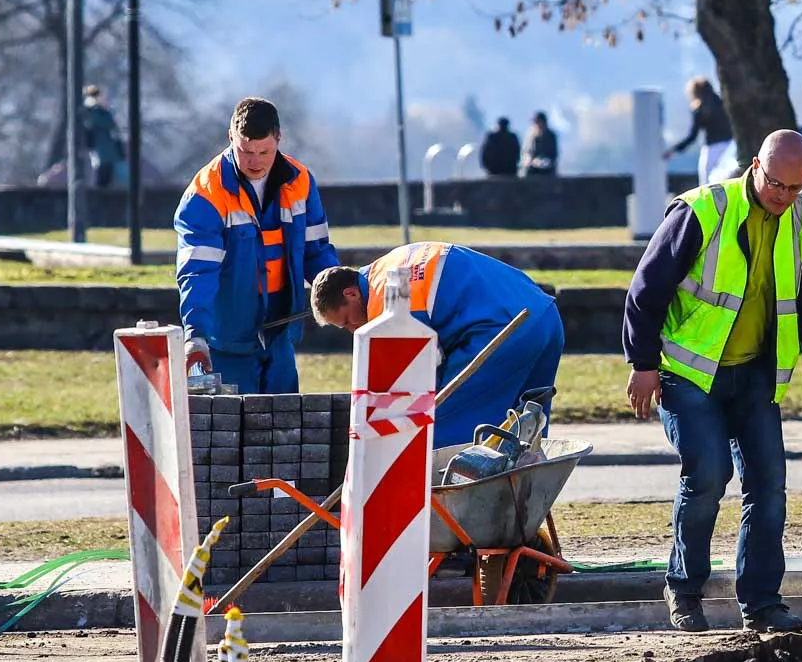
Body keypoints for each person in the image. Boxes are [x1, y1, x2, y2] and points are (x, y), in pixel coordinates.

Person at [623, 130, 802, 634]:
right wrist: (643, 363)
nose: (784, 197)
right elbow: (645, 289)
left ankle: (763, 604)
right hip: (687, 374)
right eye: (777, 185)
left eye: (796, 188)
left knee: (768, 486)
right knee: (708, 476)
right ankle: (684, 591)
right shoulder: (703, 211)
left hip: (755, 378)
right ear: (754, 166)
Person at [310, 243, 565, 447]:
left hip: (504, 332)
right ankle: (521, 502)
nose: (353, 330)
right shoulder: (392, 264)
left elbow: (413, 380)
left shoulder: (389, 303)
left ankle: (465, 508)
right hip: (544, 315)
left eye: (347, 322)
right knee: (528, 426)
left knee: (446, 427)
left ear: (351, 294)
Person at [175, 97, 339, 393]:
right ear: (230, 138)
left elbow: (317, 253)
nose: (256, 161)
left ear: (279, 138)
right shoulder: (205, 195)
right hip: (228, 340)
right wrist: (195, 334)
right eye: (246, 151)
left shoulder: (300, 182)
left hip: (280, 334)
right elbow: (197, 272)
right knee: (232, 431)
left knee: (285, 427)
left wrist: (339, 294)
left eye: (265, 151)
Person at [665, 77, 734, 185]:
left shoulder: (700, 110)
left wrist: (674, 149)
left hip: (712, 148)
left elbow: (692, 136)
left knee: (707, 184)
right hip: (730, 147)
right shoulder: (724, 104)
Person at [81, 85, 124, 189]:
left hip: (105, 149)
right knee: (102, 174)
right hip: (101, 149)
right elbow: (109, 123)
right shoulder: (93, 111)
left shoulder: (96, 111)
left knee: (107, 174)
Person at [523, 111, 559, 177]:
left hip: (547, 169)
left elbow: (553, 154)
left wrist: (542, 161)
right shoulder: (531, 136)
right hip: (533, 168)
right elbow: (527, 151)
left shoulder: (550, 136)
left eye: (537, 122)